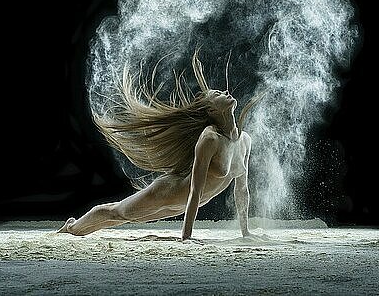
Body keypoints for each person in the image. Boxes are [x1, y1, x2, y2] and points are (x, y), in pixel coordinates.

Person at [58, 52, 259, 240]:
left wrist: (245, 232)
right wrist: (186, 238)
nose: (225, 91)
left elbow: (241, 190)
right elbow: (195, 189)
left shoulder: (244, 140)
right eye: (217, 94)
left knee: (124, 217)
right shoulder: (210, 139)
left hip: (186, 203)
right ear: (211, 110)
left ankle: (75, 230)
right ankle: (72, 228)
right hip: (168, 193)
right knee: (118, 212)